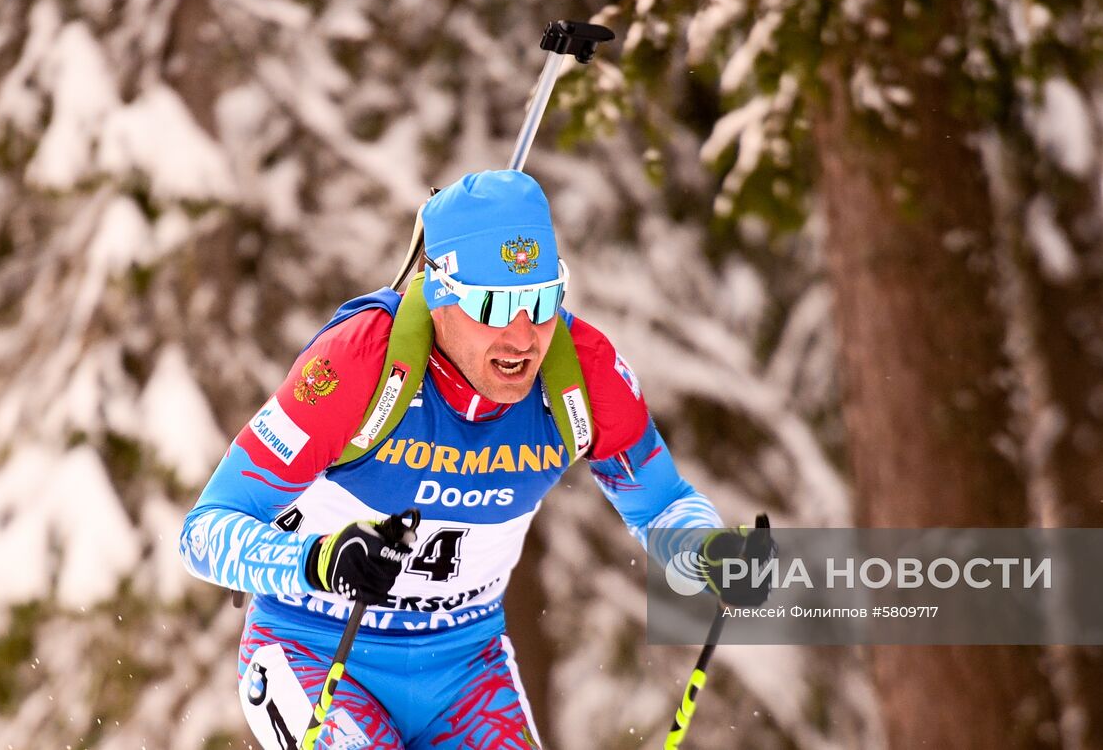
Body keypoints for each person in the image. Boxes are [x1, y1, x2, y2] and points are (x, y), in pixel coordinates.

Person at [179, 169, 771, 750]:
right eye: (492, 306)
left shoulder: (583, 375)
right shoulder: (358, 363)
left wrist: (707, 552)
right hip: (316, 646)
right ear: (439, 296)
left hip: (465, 670)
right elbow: (204, 532)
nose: (522, 337)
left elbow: (660, 504)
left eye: (540, 301)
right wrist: (320, 561)